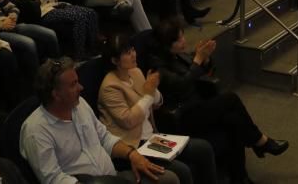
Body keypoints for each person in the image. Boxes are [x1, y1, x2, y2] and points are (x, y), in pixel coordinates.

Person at [146, 18, 288, 184]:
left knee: (233, 121)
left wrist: (205, 59)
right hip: (183, 117)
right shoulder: (157, 66)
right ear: (167, 44)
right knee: (230, 99)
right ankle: (260, 141)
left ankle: (240, 178)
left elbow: (197, 71)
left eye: (182, 36)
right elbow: (181, 86)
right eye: (179, 39)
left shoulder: (178, 55)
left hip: (198, 107)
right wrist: (198, 59)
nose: (184, 40)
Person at [20, 57, 179, 184]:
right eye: (74, 84)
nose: (81, 88)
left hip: (114, 176)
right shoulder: (35, 131)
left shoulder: (79, 104)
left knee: (171, 178)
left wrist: (132, 155)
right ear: (56, 94)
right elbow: (53, 179)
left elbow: (104, 137)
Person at [98, 33, 218, 184]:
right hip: (135, 145)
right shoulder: (109, 87)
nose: (133, 54)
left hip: (152, 137)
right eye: (127, 53)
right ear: (115, 60)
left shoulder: (135, 72)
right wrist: (149, 94)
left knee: (204, 148)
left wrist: (153, 91)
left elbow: (157, 103)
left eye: (133, 50)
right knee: (183, 171)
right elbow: (128, 120)